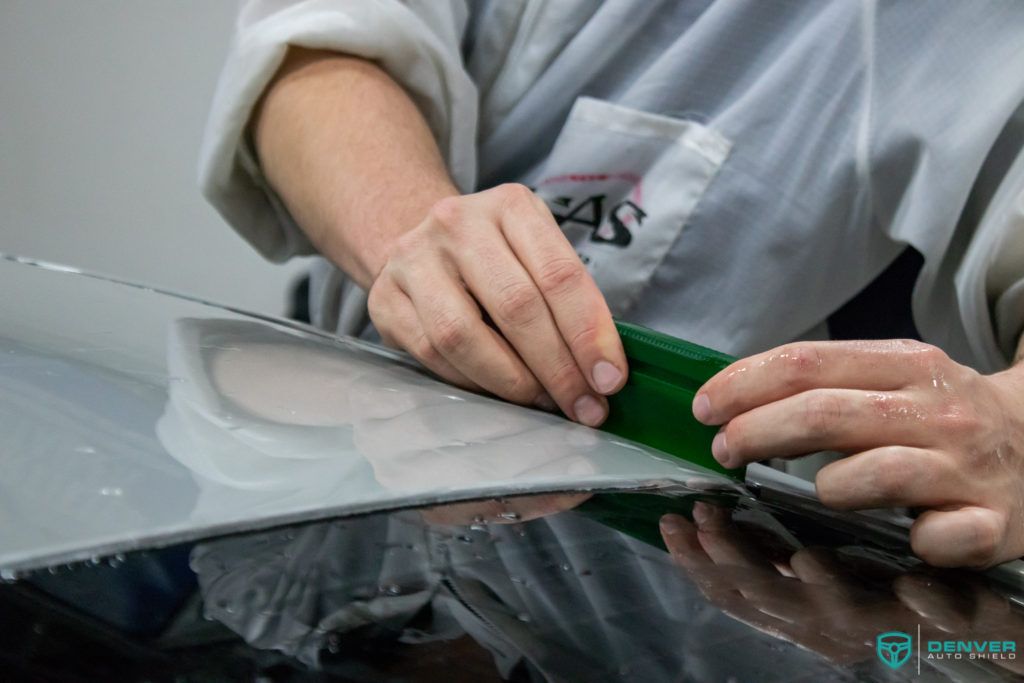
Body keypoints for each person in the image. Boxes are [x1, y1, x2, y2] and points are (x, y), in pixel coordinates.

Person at [199, 1, 1024, 568]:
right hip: (346, 483)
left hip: (696, 586)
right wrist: (416, 240)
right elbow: (316, 46)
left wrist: (1014, 426)